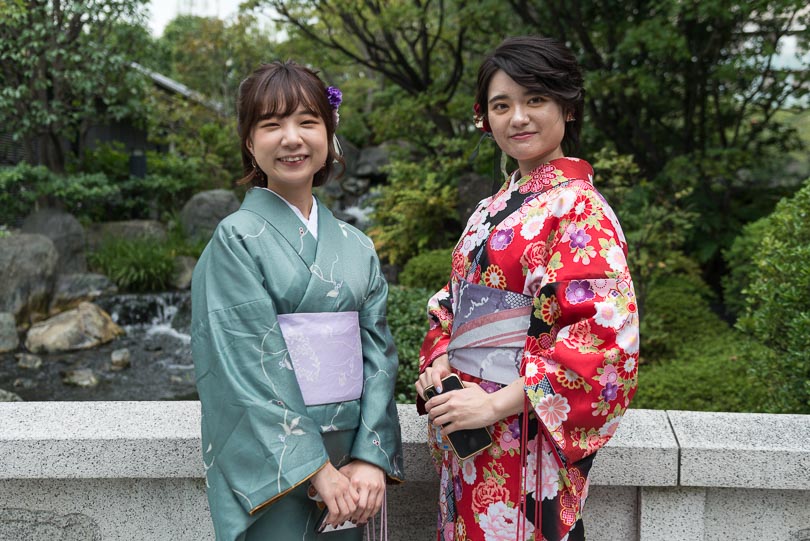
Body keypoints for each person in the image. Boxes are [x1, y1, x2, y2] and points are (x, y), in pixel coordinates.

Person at [415, 36, 639, 541]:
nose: (518, 117)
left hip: (522, 437)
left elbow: (602, 345)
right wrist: (439, 362)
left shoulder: (581, 210)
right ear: (484, 117)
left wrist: (494, 405)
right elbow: (449, 305)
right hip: (468, 435)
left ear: (567, 106)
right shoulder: (490, 208)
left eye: (534, 99)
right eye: (502, 105)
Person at [191, 60, 404, 541]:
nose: (292, 138)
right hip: (277, 462)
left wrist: (370, 457)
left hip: (351, 462)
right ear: (250, 142)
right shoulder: (236, 239)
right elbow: (242, 363)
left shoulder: (356, 245)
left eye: (307, 122)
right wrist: (315, 469)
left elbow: (379, 354)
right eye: (271, 125)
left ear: (329, 135)